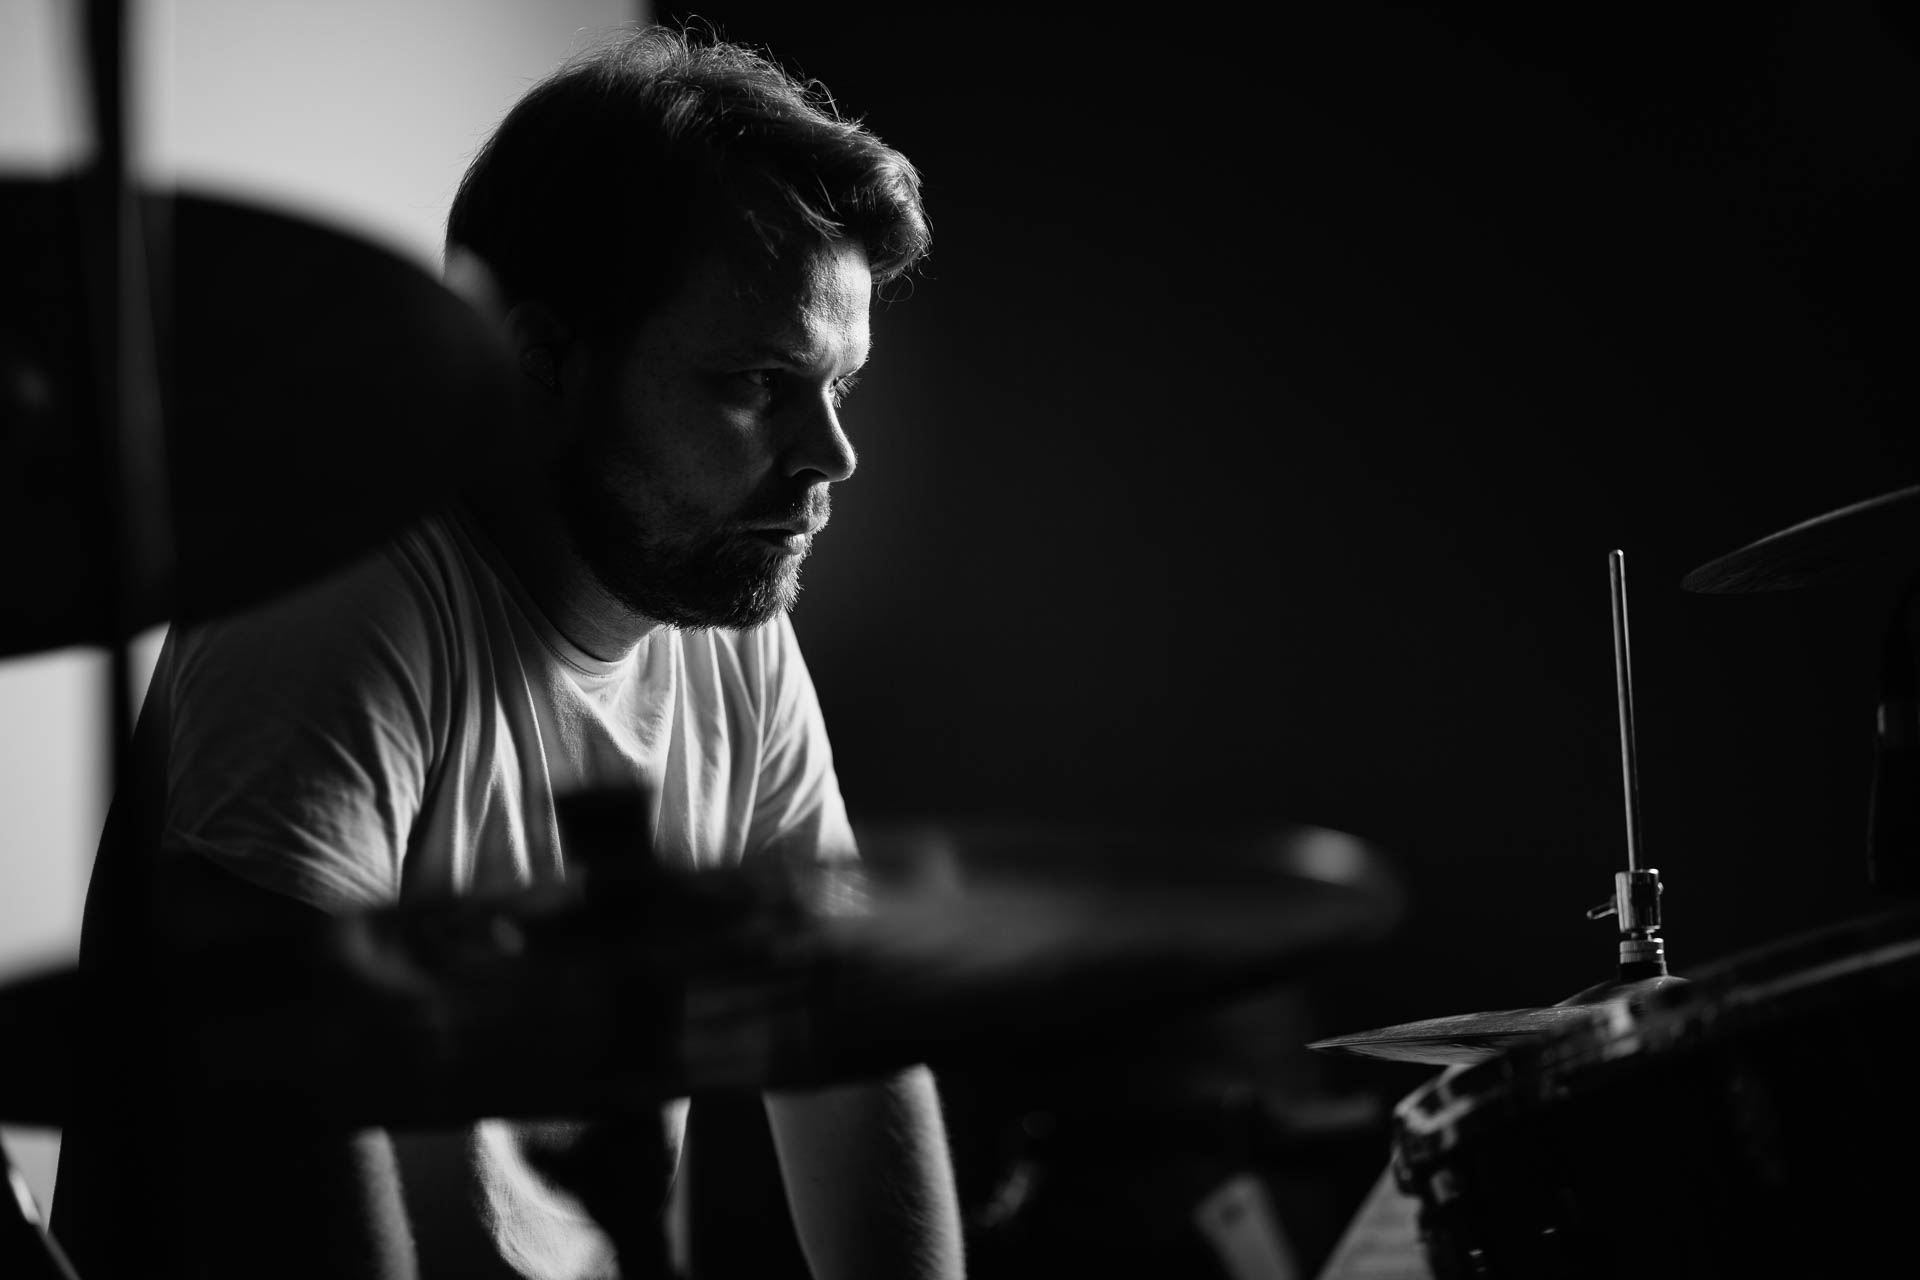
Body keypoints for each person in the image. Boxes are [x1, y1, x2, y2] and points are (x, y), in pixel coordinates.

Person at [51, 26, 963, 1280]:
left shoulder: (721, 614)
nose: (831, 456)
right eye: (759, 383)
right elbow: (280, 1126)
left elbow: (843, 1037)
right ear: (541, 363)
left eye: (837, 387)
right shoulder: (340, 598)